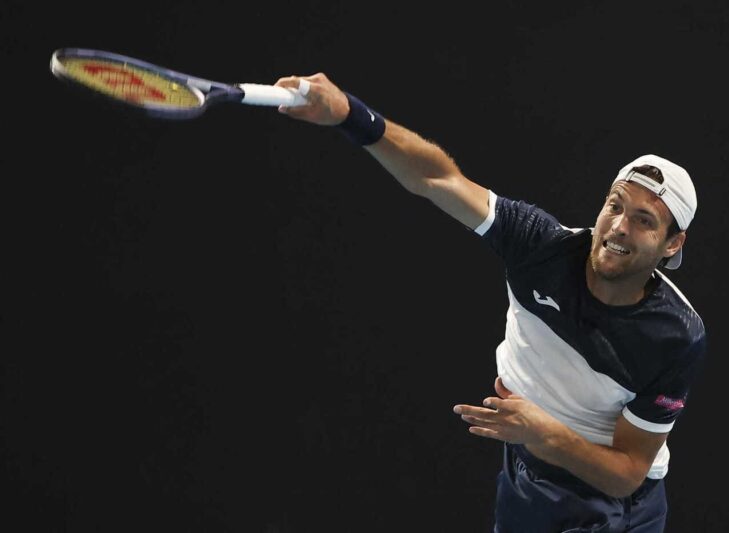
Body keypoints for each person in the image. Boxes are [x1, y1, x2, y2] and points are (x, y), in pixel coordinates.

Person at [273, 73, 706, 533]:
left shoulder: (676, 336)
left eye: (643, 220)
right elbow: (438, 178)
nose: (618, 227)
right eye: (614, 206)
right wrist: (349, 114)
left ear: (672, 244)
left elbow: (626, 474)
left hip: (615, 507)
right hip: (528, 475)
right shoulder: (539, 246)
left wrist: (545, 435)